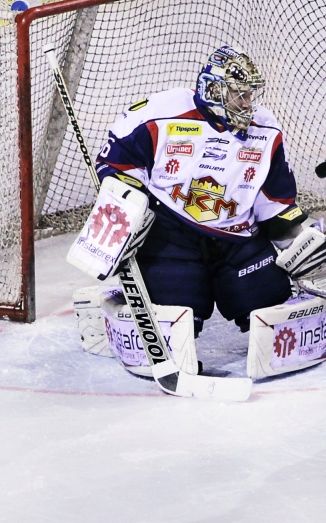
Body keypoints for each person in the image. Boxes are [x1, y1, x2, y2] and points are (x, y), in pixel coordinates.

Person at [94, 45, 305, 337]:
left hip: (239, 240)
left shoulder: (265, 129)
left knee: (271, 310)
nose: (247, 103)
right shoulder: (162, 113)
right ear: (214, 91)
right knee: (176, 322)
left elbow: (275, 199)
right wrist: (129, 213)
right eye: (239, 94)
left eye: (250, 94)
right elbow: (116, 162)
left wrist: (300, 245)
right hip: (172, 236)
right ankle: (127, 311)